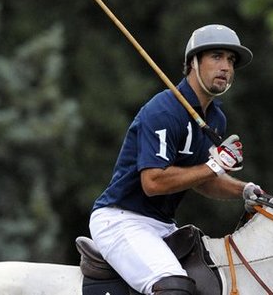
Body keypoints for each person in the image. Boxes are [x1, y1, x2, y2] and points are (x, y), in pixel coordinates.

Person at [88, 24, 263, 295]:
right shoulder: (164, 111)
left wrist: (244, 190)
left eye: (230, 60)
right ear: (193, 62)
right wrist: (214, 165)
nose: (226, 67)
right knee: (174, 287)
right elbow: (153, 182)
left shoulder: (215, 118)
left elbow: (203, 180)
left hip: (163, 225)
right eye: (216, 56)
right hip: (122, 219)